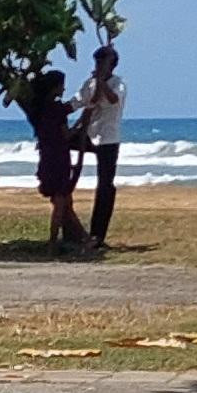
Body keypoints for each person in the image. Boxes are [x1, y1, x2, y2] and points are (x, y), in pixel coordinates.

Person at [76, 41, 126, 249]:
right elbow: (85, 103)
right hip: (89, 134)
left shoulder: (118, 83)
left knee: (105, 184)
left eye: (101, 63)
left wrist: (102, 81)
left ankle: (98, 233)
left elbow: (113, 99)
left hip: (108, 138)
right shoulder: (90, 83)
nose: (97, 67)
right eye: (97, 63)